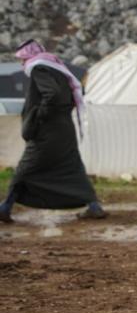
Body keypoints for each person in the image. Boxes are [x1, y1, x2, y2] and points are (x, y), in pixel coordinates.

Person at [0, 40, 107, 224]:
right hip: (64, 127)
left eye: (22, 59)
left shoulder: (39, 68)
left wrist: (39, 116)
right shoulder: (57, 67)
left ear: (29, 56)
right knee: (71, 166)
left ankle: (5, 208)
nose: (21, 64)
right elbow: (71, 94)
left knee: (26, 168)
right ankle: (93, 206)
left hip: (47, 131)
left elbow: (52, 94)